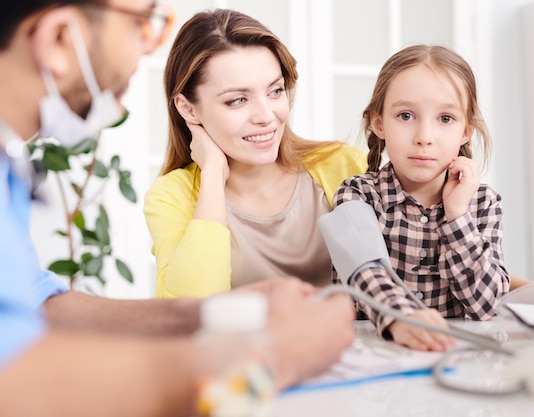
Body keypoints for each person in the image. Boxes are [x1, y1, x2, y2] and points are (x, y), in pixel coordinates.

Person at [0, 2, 355, 416]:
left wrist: (207, 315)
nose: (149, 47)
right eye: (143, 24)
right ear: (60, 38)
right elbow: (15, 386)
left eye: (275, 90)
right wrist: (275, 357)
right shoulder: (174, 193)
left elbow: (39, 302)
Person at [143, 9, 367, 299]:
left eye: (275, 91)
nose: (266, 116)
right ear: (188, 108)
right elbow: (188, 309)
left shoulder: (343, 166)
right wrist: (212, 174)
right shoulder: (171, 196)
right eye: (237, 100)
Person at [332, 45, 510, 352]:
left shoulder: (482, 203)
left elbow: (488, 306)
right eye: (405, 115)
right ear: (379, 123)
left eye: (445, 118)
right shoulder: (357, 194)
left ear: (466, 131)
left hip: (456, 361)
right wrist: (403, 316)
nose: (424, 136)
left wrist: (457, 216)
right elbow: (364, 273)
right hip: (375, 364)